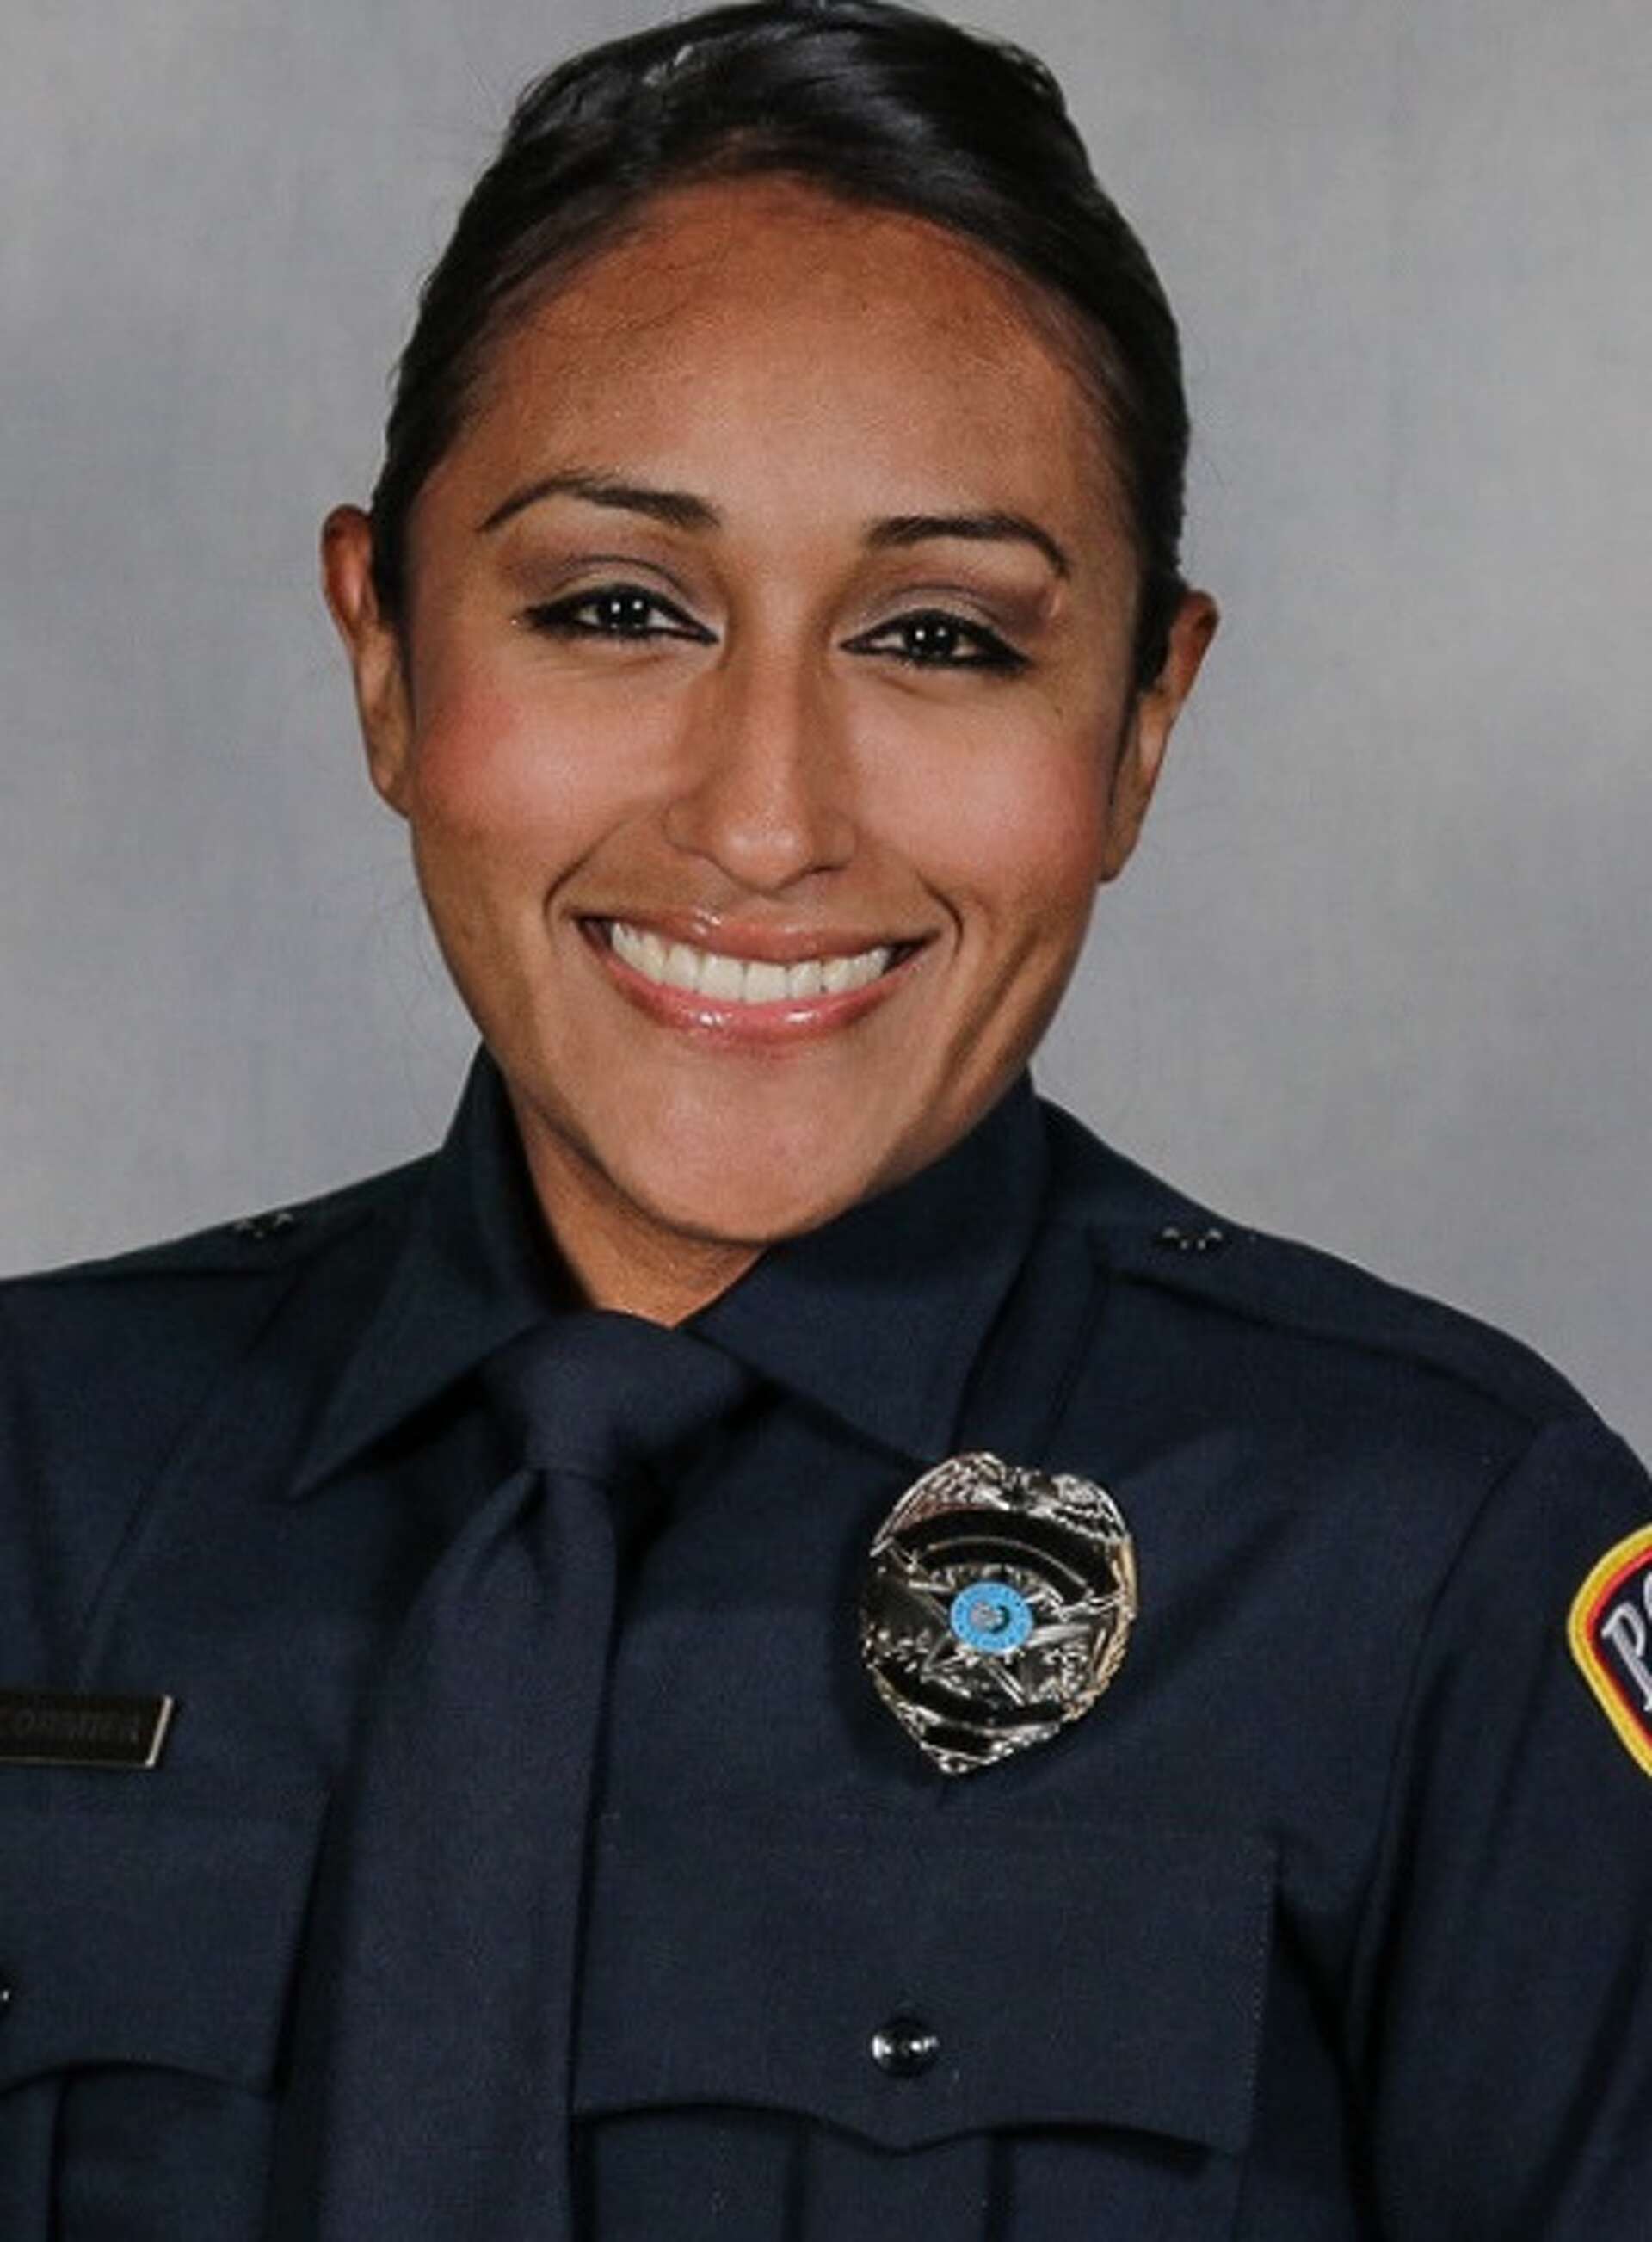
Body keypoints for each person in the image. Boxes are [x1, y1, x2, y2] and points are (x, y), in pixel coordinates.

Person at [1, 1, 1649, 2234]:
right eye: (616, 608)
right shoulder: (33, 1483)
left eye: (942, 638)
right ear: (383, 652)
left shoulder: (1438, 1560)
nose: (766, 821)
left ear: (1142, 726)